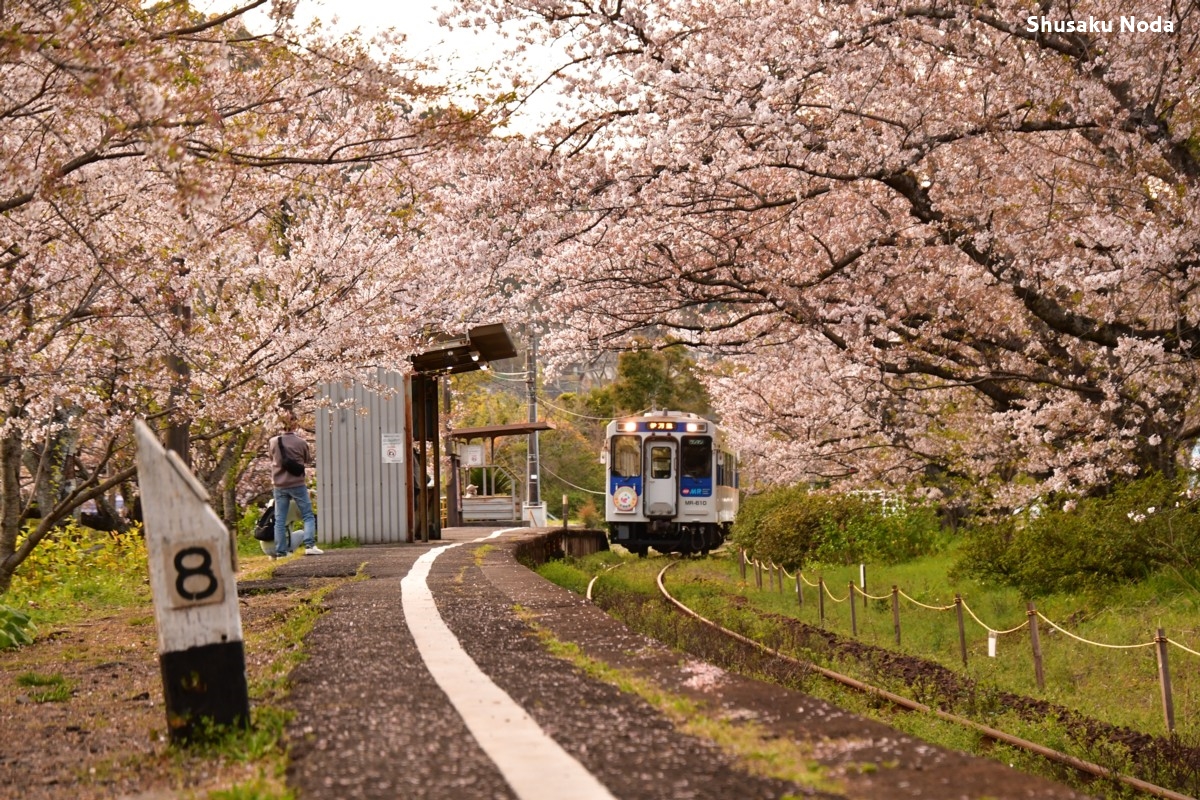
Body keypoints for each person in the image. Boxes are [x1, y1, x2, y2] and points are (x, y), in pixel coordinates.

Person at [269, 412, 322, 557]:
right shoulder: (301, 442)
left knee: (280, 519)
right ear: (296, 424)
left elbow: (271, 457)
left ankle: (281, 552)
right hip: (297, 484)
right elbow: (307, 459)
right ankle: (310, 545)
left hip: (279, 485)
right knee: (307, 515)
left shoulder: (273, 442)